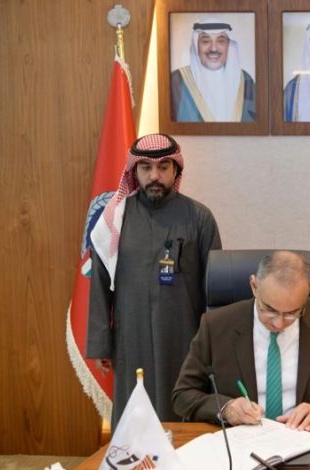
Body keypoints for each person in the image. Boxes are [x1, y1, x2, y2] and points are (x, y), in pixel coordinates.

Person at [86, 133, 222, 430]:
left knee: (184, 416)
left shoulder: (199, 218)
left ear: (176, 169)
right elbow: (99, 284)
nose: (154, 176)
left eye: (163, 167)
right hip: (130, 337)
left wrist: (214, 347)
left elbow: (215, 290)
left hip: (185, 338)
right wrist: (100, 344)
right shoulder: (115, 218)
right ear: (134, 171)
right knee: (134, 417)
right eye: (145, 167)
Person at [172, 251, 310, 431]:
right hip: (240, 439)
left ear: (309, 290)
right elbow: (183, 394)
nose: (279, 323)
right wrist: (226, 408)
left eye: (292, 313)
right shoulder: (216, 325)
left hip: (305, 436)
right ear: (254, 286)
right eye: (270, 310)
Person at [171, 18, 256, 122]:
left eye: (220, 41)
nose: (213, 49)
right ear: (196, 45)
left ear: (229, 45)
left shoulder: (246, 81)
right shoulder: (176, 80)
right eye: (206, 41)